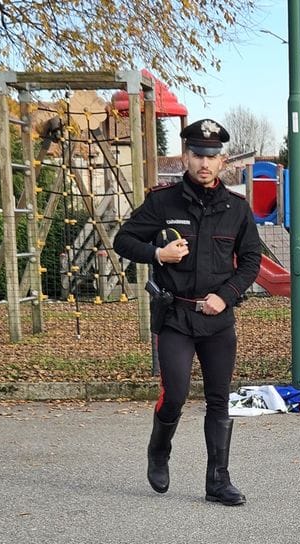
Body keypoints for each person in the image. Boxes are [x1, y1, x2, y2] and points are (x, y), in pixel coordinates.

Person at [113, 118, 262, 505]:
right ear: (185, 156)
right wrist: (157, 253)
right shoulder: (163, 202)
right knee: (175, 394)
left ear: (224, 160)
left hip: (217, 319)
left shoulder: (237, 208)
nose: (204, 163)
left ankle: (218, 481)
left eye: (212, 156)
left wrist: (226, 295)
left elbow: (250, 261)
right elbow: (123, 240)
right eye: (197, 154)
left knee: (219, 398)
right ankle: (159, 450)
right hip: (176, 317)